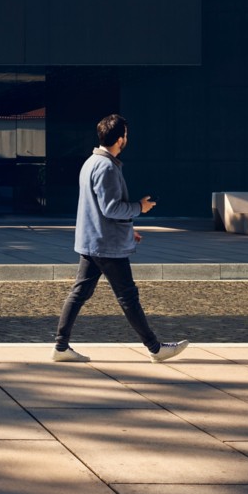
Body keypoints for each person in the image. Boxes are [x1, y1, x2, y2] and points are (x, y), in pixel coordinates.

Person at [52, 114, 188, 363]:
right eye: (126, 134)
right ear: (119, 138)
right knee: (128, 297)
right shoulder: (106, 167)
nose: (127, 138)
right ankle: (155, 348)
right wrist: (139, 207)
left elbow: (98, 209)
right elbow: (111, 208)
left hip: (94, 240)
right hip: (106, 245)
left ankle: (61, 347)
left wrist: (127, 229)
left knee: (79, 293)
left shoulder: (91, 162)